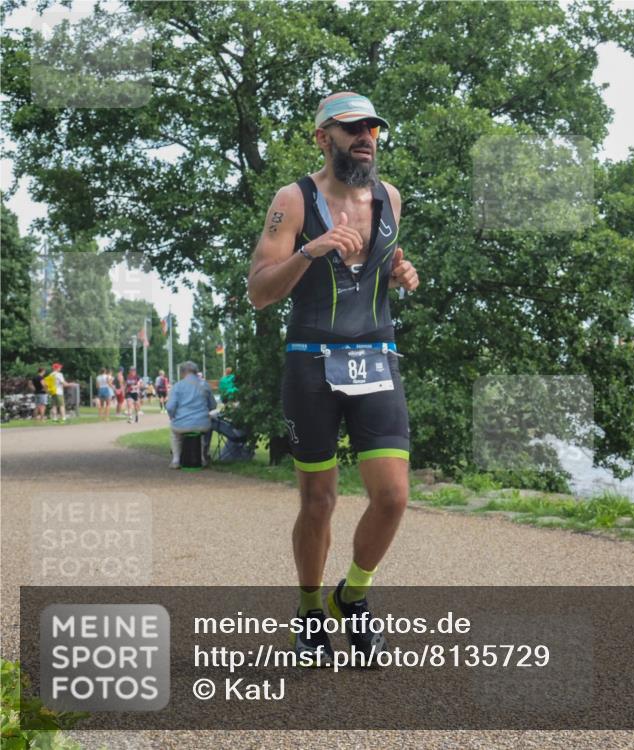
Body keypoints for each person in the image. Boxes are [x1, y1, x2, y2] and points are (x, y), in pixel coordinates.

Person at [247, 92, 419, 663]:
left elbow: (376, 272)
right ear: (324, 137)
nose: (365, 136)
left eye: (372, 127)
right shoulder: (292, 201)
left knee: (393, 497)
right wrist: (310, 251)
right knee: (318, 502)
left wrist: (398, 273)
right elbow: (259, 292)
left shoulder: (390, 198)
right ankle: (309, 611)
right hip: (311, 363)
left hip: (376, 357)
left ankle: (355, 594)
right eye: (351, 129)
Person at [166, 361, 216, 469]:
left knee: (175, 434)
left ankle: (176, 460)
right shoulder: (205, 385)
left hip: (181, 424)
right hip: (202, 424)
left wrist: (172, 415)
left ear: (183, 373)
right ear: (196, 372)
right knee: (205, 431)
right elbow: (213, 406)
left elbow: (170, 407)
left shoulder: (177, 386)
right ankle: (202, 458)